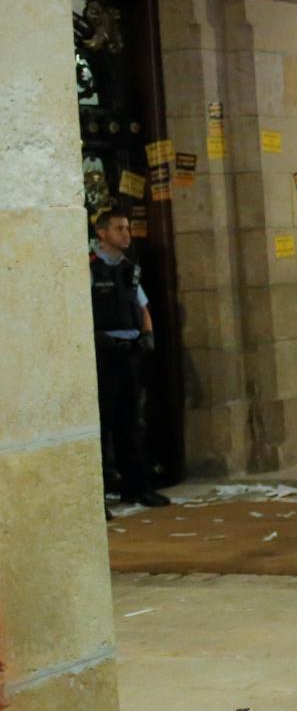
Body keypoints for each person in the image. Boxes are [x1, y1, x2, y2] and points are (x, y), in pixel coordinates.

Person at [89, 208, 169, 509]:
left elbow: (141, 305)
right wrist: (97, 338)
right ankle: (99, 497)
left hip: (130, 352)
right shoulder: (90, 268)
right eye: (120, 228)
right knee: (103, 423)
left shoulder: (129, 269)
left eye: (128, 229)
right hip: (104, 354)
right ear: (102, 233)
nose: (127, 234)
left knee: (131, 422)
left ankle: (137, 488)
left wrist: (148, 334)